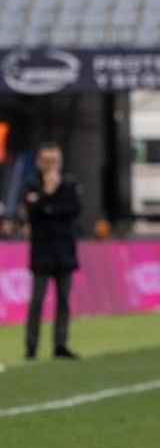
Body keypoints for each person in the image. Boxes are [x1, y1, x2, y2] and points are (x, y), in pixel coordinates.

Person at [17, 142, 81, 361]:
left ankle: (60, 344)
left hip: (65, 251)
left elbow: (72, 209)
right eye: (46, 162)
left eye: (54, 162)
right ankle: (31, 347)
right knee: (37, 301)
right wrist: (48, 193)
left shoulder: (70, 184)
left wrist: (48, 206)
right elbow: (33, 211)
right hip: (42, 252)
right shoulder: (31, 184)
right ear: (39, 163)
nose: (50, 166)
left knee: (63, 300)